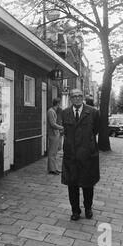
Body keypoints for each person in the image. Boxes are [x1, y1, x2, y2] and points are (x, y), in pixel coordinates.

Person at [61, 89, 100, 221]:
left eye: (79, 96)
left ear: (82, 97)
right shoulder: (65, 113)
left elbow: (96, 130)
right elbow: (66, 132)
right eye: (74, 96)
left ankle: (88, 208)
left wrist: (88, 146)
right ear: (70, 99)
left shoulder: (93, 112)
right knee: (72, 185)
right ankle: (75, 211)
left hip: (88, 156)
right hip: (71, 156)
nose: (77, 98)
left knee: (88, 184)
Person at [47, 98, 64, 175]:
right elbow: (52, 124)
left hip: (55, 134)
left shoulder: (53, 111)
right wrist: (62, 127)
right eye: (59, 103)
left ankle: (54, 168)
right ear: (57, 103)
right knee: (52, 152)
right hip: (53, 134)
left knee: (54, 152)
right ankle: (52, 169)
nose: (60, 105)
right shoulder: (51, 111)